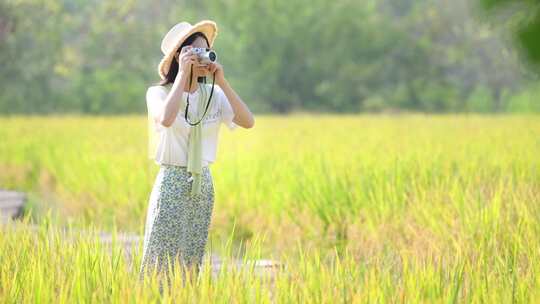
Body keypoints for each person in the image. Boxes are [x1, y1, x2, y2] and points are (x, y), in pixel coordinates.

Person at [138, 20, 255, 290]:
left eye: (207, 51)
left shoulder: (214, 94)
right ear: (180, 56)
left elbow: (248, 121)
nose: (203, 57)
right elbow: (166, 119)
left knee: (191, 258)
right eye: (196, 52)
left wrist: (222, 81)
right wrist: (182, 77)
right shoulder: (158, 93)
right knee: (160, 254)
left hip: (203, 184)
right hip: (172, 180)